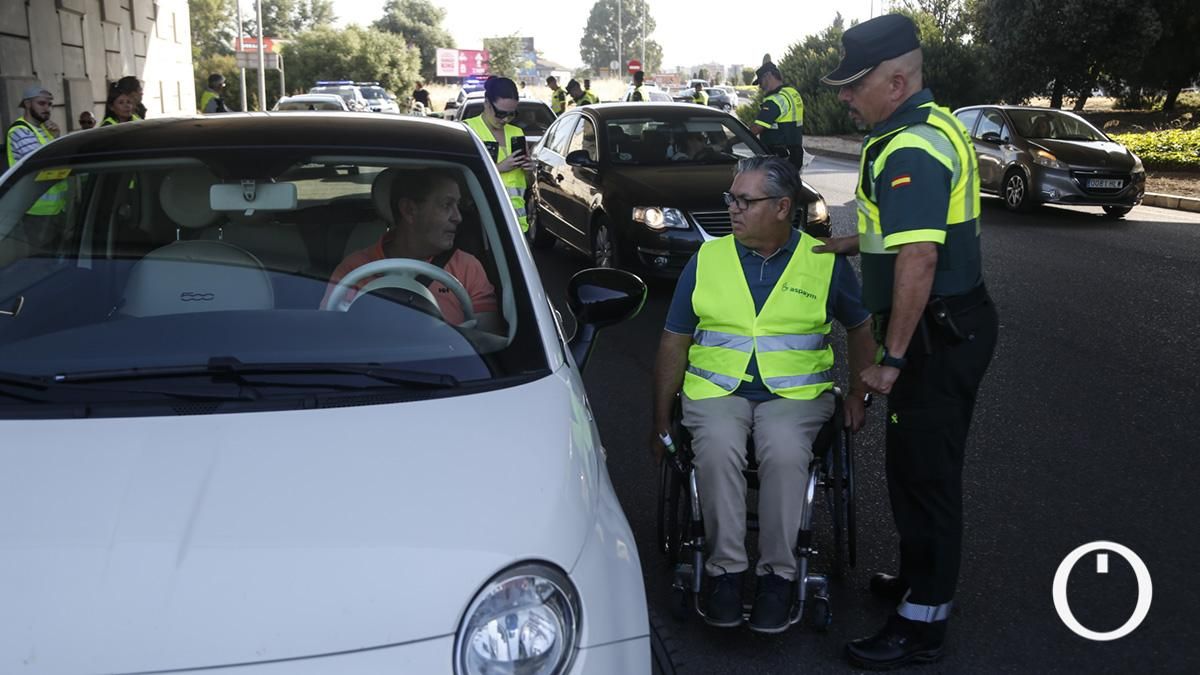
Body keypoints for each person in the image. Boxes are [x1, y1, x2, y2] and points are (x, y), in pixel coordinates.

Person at [816, 13, 999, 669]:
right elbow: (898, 234)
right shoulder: (929, 126)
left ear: (895, 81)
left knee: (925, 477)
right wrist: (845, 242)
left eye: (851, 85)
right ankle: (919, 578)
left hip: (933, 336)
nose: (842, 95)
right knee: (918, 468)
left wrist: (890, 358)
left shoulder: (910, 150)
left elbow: (919, 257)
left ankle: (922, 622)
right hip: (954, 324)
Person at [651, 155, 875, 633]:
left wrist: (857, 393)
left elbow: (860, 327)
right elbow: (675, 339)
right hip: (716, 390)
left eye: (743, 200)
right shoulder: (707, 258)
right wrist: (660, 418)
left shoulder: (822, 261)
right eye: (730, 198)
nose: (732, 208)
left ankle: (778, 574)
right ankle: (726, 571)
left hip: (795, 396)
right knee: (715, 449)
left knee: (786, 452)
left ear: (781, 207)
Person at [323, 168, 502, 332]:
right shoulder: (354, 269)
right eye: (447, 205)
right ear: (409, 210)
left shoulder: (467, 268)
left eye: (458, 205)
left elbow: (485, 339)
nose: (458, 217)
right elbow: (331, 333)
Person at [463, 77, 532, 232]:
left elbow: (527, 183)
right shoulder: (469, 130)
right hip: (482, 224)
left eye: (512, 114)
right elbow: (461, 179)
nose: (506, 119)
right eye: (501, 114)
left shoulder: (517, 133)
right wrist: (499, 168)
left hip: (517, 225)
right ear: (487, 103)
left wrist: (529, 170)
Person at [5, 84, 66, 253]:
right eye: (41, 103)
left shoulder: (45, 130)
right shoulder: (20, 131)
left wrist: (56, 138)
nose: (47, 108)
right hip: (36, 208)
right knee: (43, 259)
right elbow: (44, 163)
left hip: (55, 207)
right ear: (27, 104)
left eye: (49, 104)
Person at [750, 58, 805, 173]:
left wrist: (733, 140)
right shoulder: (792, 93)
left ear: (768, 76)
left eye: (760, 81)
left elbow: (756, 129)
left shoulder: (775, 99)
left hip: (779, 157)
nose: (760, 86)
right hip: (794, 154)